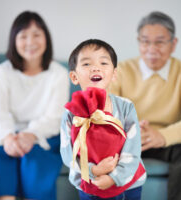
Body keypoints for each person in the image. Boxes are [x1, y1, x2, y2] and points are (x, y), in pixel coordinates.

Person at [109, 11, 181, 200]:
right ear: (138, 42)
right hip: (127, 138)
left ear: (173, 44)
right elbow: (108, 111)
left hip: (165, 138)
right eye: (145, 41)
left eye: (160, 42)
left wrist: (163, 136)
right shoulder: (121, 70)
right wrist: (133, 131)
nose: (151, 49)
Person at [0, 11, 69, 200]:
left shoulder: (58, 73)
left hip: (44, 137)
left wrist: (31, 134)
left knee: (33, 161)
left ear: (46, 38)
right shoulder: (3, 71)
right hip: (9, 136)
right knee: (2, 158)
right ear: (14, 40)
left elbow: (55, 117)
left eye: (36, 35)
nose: (30, 42)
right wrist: (9, 138)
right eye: (23, 36)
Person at [60, 39, 146, 200]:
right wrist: (93, 170)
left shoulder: (126, 107)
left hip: (127, 182)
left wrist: (114, 177)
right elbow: (67, 153)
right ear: (74, 76)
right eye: (86, 64)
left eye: (103, 62)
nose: (95, 67)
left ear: (114, 74)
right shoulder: (70, 113)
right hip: (88, 182)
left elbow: (133, 149)